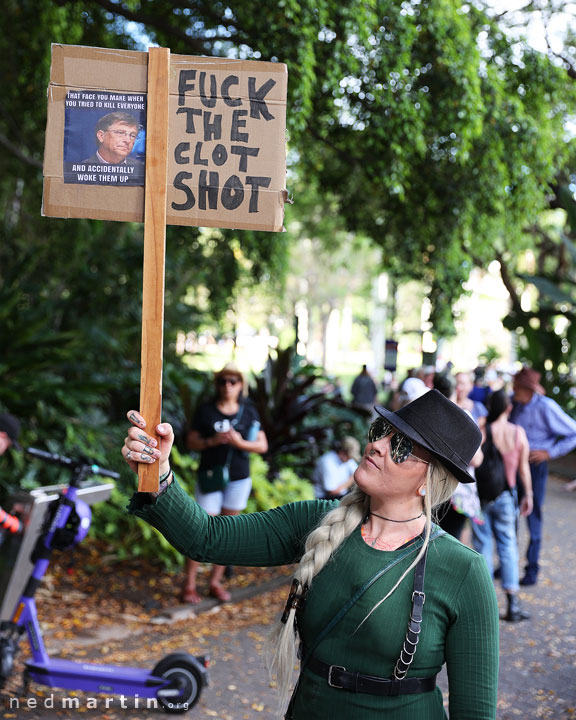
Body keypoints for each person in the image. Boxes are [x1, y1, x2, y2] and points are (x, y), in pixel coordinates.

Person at [122, 389, 499, 718]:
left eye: (399, 447)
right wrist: (159, 472)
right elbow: (206, 538)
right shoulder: (317, 521)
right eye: (382, 433)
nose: (377, 445)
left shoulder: (462, 570)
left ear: (428, 481)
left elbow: (475, 711)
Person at [182, 362, 268, 603]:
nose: (228, 386)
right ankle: (189, 584)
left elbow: (262, 445)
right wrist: (211, 442)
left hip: (238, 479)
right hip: (210, 477)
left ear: (241, 385)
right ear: (217, 385)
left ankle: (214, 582)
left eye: (233, 381)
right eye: (223, 381)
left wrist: (239, 443)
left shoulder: (249, 410)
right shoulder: (207, 410)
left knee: (226, 531)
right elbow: (190, 441)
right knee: (201, 529)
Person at [509, 366, 576, 586]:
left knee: (533, 515)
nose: (513, 389)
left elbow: (573, 432)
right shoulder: (515, 404)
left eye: (516, 387)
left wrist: (550, 453)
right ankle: (509, 565)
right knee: (510, 513)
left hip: (535, 466)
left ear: (527, 389)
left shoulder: (546, 407)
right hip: (513, 465)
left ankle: (532, 569)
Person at [471, 389, 533, 621]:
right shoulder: (518, 433)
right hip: (507, 496)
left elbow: (472, 458)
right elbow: (523, 469)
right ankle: (513, 605)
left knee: (483, 545)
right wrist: (529, 494)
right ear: (509, 408)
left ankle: (484, 604)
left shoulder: (483, 429)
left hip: (481, 497)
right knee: (508, 546)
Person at [433, 373, 484, 539]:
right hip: (455, 493)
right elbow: (477, 459)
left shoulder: (427, 412)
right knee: (450, 544)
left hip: (428, 488)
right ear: (455, 389)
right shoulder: (463, 416)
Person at [82, 112, 144, 180]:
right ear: (101, 136)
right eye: (120, 133)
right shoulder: (82, 168)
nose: (128, 140)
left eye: (133, 135)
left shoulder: (140, 168)